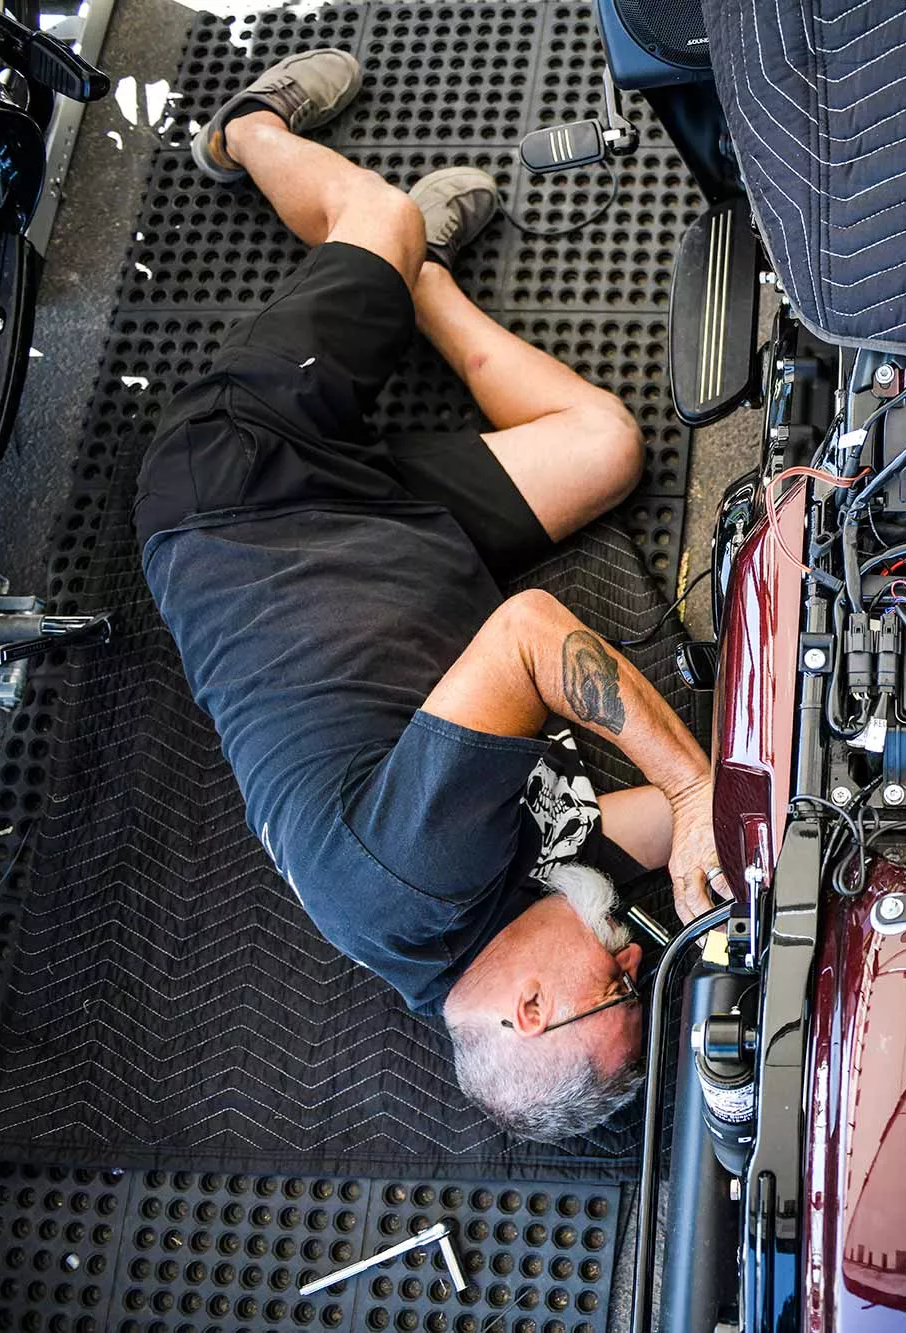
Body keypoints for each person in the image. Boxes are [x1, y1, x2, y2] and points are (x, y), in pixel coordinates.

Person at [136, 50, 721, 1142]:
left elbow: (533, 631)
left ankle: (247, 135)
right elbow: (640, 830)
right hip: (400, 549)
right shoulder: (486, 932)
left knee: (377, 209)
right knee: (605, 447)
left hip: (246, 496)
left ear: (531, 1008)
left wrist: (688, 784)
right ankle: (423, 289)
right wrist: (728, 846)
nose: (633, 958)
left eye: (620, 986)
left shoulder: (413, 887)